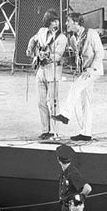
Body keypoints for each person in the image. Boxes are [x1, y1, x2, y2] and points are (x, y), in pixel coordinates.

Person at [52, 12, 104, 142]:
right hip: (84, 71)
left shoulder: (92, 34)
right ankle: (86, 133)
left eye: (68, 21)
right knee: (85, 103)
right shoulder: (74, 38)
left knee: (75, 87)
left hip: (93, 70)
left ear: (76, 22)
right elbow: (78, 56)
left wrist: (92, 69)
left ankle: (65, 114)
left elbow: (100, 53)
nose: (66, 24)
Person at [26, 9, 68, 140]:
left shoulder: (62, 38)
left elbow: (58, 56)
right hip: (41, 70)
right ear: (48, 22)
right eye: (53, 21)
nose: (56, 24)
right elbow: (33, 40)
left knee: (53, 102)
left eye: (57, 21)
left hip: (53, 71)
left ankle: (56, 132)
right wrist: (30, 48)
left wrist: (48, 54)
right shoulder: (42, 32)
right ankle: (45, 130)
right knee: (41, 102)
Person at [56, 144, 92, 211]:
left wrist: (78, 200)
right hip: (65, 207)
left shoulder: (72, 173)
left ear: (58, 159)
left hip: (71, 209)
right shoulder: (65, 172)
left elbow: (88, 188)